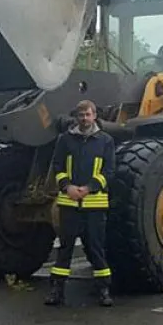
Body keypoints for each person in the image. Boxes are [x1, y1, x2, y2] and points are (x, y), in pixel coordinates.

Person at [46, 99, 116, 307]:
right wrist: (67, 187)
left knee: (96, 248)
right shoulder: (64, 140)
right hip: (69, 203)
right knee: (65, 248)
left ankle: (103, 289)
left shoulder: (106, 141)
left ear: (94, 116)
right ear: (76, 117)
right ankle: (57, 291)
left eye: (88, 115)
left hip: (95, 204)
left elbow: (109, 171)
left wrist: (88, 188)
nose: (84, 119)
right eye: (81, 115)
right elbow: (57, 166)